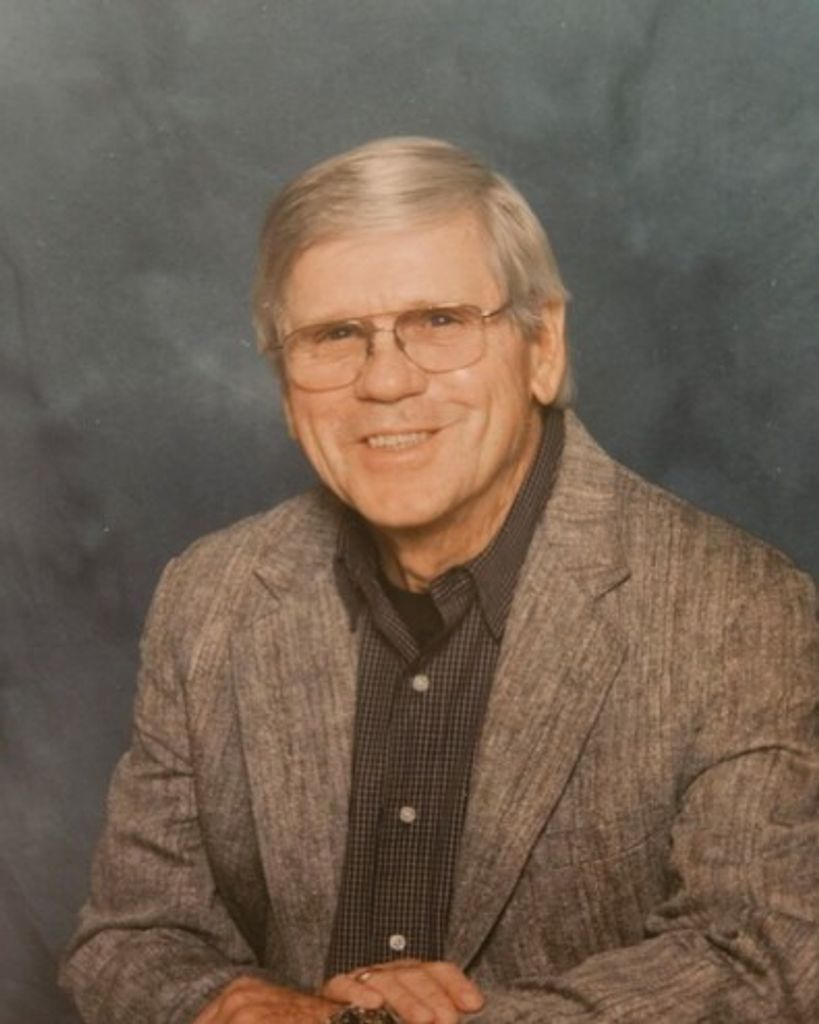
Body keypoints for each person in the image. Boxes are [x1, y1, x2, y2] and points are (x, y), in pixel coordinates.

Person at [60, 137, 819, 1024]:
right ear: (283, 379)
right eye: (334, 335)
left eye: (440, 322)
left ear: (542, 346)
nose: (386, 381)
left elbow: (758, 956)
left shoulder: (735, 608)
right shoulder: (211, 596)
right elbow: (131, 937)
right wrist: (229, 1004)